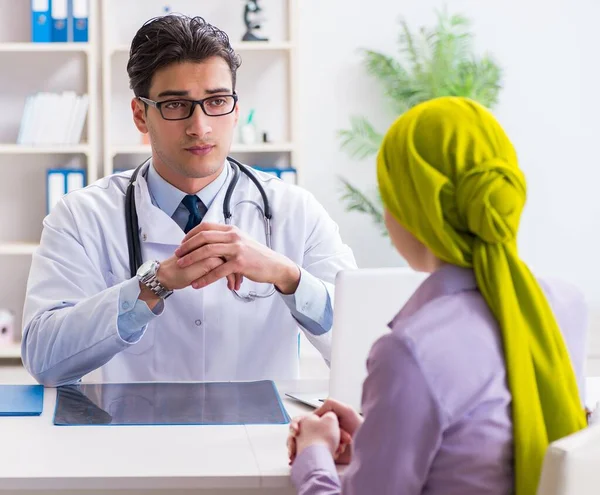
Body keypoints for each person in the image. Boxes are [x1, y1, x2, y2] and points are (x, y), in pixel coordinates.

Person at [21, 14, 356, 387]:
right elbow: (44, 360)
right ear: (140, 115)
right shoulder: (82, 216)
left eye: (216, 101)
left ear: (236, 108)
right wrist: (153, 284)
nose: (200, 126)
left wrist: (287, 276)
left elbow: (363, 348)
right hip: (126, 442)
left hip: (255, 440)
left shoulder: (296, 212)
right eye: (176, 105)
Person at [287, 97, 587, 494]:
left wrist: (313, 452)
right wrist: (377, 436)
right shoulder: (565, 306)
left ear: (415, 208)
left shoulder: (411, 352)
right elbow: (489, 454)